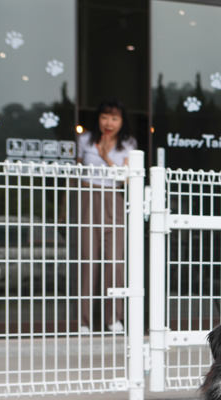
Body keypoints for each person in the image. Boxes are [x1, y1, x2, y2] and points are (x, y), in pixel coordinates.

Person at [75, 98, 136, 334]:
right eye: (104, 117)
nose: (108, 123)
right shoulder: (85, 140)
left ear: (121, 121)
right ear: (98, 119)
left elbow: (127, 179)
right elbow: (76, 173)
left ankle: (113, 318)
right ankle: (84, 320)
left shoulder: (127, 144)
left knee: (114, 262)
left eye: (114, 118)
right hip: (89, 197)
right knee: (88, 259)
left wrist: (107, 157)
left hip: (114, 198)